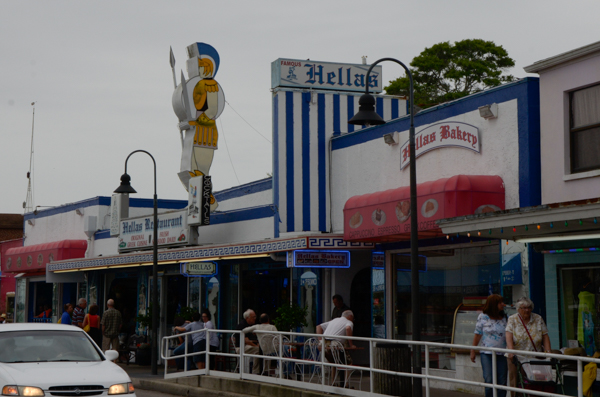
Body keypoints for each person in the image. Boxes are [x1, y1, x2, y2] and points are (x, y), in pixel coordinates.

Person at [506, 297, 551, 391]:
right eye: (524, 308)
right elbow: (508, 335)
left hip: (534, 356)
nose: (527, 310)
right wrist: (511, 351)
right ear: (518, 309)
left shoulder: (538, 318)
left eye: (529, 307)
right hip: (516, 357)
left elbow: (545, 336)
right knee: (515, 382)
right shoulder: (512, 319)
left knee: (535, 382)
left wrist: (548, 352)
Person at [470, 294, 508, 397]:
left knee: (502, 380)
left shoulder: (505, 317)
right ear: (493, 304)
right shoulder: (483, 316)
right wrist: (473, 350)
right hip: (486, 352)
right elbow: (477, 334)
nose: (502, 304)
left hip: (502, 353)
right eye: (500, 303)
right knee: (489, 379)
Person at [317, 310, 355, 385]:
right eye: (353, 318)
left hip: (324, 346)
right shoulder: (349, 322)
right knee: (349, 362)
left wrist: (320, 341)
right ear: (350, 316)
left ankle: (333, 382)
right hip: (335, 345)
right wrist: (351, 345)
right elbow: (348, 328)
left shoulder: (334, 320)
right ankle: (346, 384)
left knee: (333, 362)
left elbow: (318, 327)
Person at [235, 309, 260, 374]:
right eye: (253, 317)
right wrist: (256, 346)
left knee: (261, 350)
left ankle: (258, 370)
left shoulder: (253, 325)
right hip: (241, 347)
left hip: (250, 346)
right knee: (258, 350)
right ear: (247, 318)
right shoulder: (242, 325)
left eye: (255, 317)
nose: (255, 318)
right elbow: (247, 341)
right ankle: (255, 372)